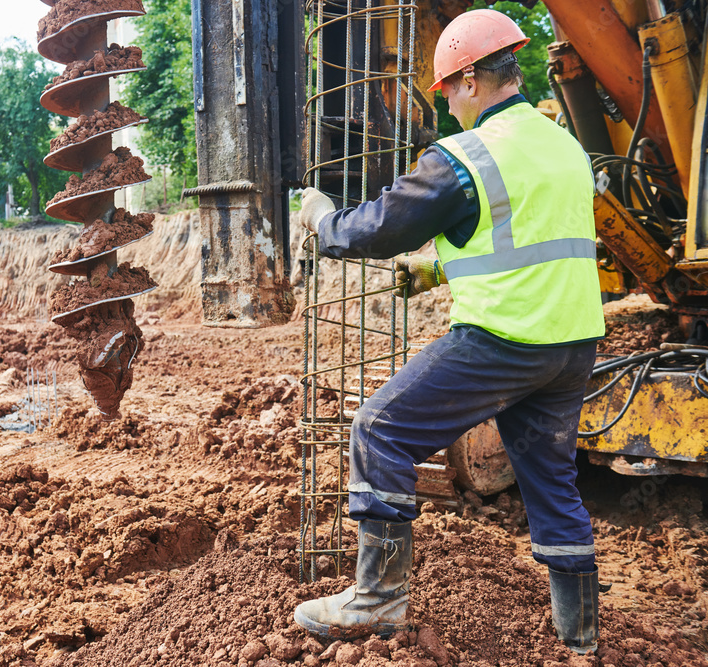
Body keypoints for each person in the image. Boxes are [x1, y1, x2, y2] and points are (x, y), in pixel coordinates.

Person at [293, 8, 604, 655]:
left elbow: (382, 227)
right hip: (573, 343)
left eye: (447, 93)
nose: (448, 108)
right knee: (552, 482)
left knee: (379, 430)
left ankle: (378, 600)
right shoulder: (563, 145)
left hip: (504, 340)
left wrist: (322, 220)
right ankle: (580, 638)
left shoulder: (468, 155)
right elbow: (534, 236)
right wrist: (437, 268)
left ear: (468, 80)